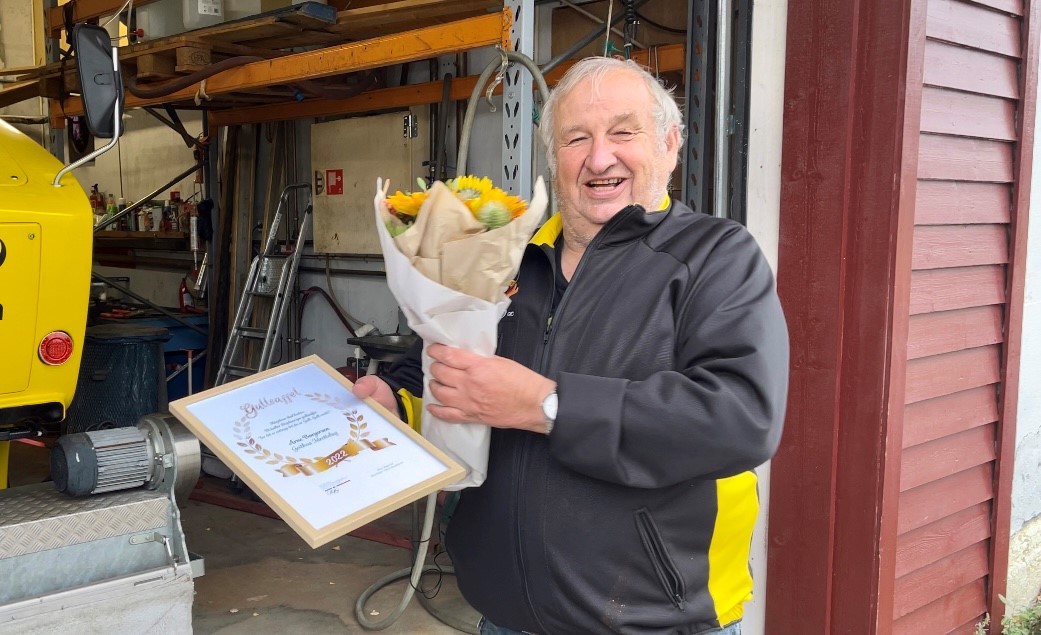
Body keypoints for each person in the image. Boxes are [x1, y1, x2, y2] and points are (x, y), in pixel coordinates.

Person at [353, 56, 789, 635]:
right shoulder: (507, 258)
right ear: (553, 158)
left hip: (655, 622)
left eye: (623, 132)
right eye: (575, 138)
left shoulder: (716, 257)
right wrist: (395, 401)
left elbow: (740, 418)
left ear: (670, 144)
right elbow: (439, 371)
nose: (599, 157)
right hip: (504, 615)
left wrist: (546, 406)